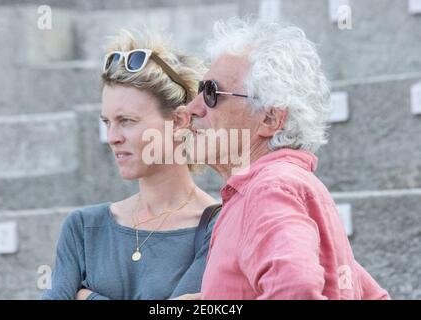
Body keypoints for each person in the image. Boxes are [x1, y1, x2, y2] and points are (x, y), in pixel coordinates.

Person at [186, 18, 390, 299]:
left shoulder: (269, 190)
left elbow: (297, 290)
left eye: (211, 93)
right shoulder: (286, 185)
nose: (192, 107)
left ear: (269, 118)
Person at [42, 29, 218, 300]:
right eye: (107, 122)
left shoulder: (217, 227)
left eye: (127, 121)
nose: (113, 138)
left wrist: (87, 297)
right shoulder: (83, 228)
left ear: (180, 121)